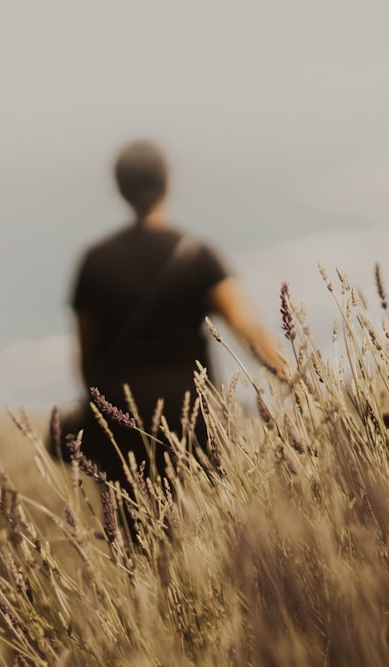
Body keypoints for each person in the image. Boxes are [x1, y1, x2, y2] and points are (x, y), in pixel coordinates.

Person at [63, 139, 284, 487]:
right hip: (194, 422)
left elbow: (87, 357)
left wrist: (102, 407)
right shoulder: (196, 256)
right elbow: (248, 329)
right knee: (205, 532)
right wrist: (293, 380)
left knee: (135, 534)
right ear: (168, 182)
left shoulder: (95, 262)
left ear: (120, 189)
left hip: (121, 428)